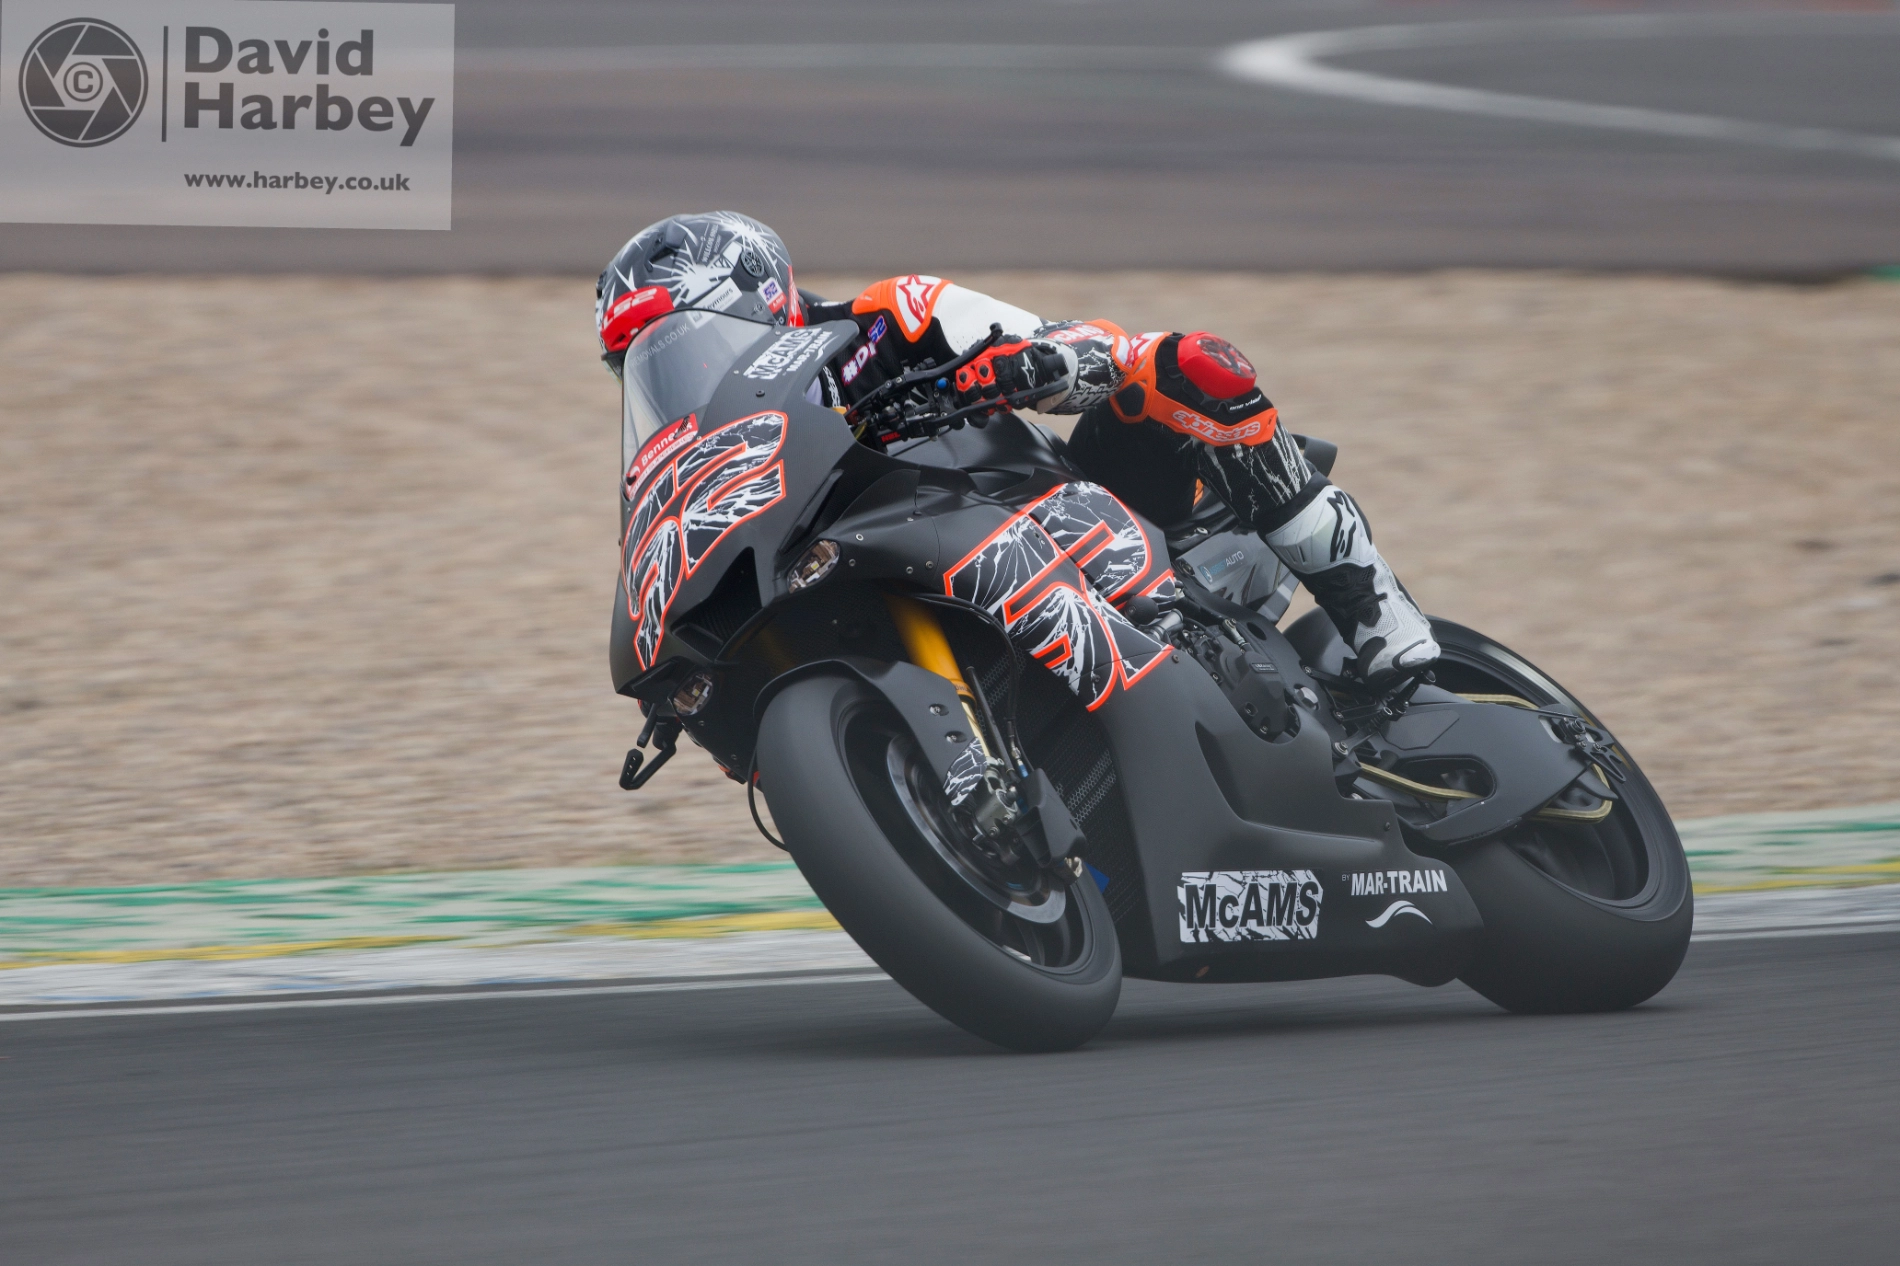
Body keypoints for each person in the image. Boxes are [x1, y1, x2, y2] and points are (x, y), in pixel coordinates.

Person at [597, 211, 1438, 682]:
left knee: (1178, 365)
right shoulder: (714, 450)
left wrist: (1036, 360)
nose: (681, 369)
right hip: (883, 568)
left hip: (1059, 504)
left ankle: (1374, 608)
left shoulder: (885, 316)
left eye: (689, 338)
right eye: (647, 365)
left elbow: (1088, 349)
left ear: (757, 293)